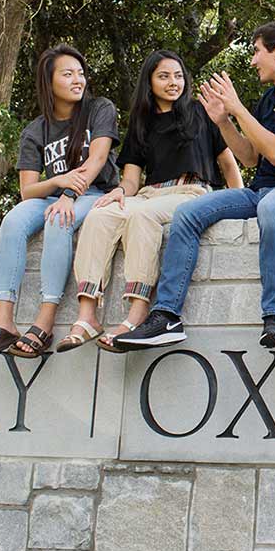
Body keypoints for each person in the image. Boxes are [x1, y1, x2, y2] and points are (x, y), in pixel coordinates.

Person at [110, 22, 275, 350]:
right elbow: (249, 157)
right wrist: (223, 122)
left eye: (257, 51)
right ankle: (167, 315)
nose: (253, 60)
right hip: (260, 190)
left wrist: (237, 108)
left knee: (271, 207)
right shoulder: (268, 100)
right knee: (188, 214)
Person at [57, 50, 242, 352]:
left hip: (191, 192)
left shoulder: (200, 112)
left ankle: (137, 313)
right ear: (150, 81)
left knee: (142, 217)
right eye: (164, 76)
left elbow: (228, 164)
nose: (173, 82)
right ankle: (88, 314)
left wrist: (240, 205)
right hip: (149, 193)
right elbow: (131, 180)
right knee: (99, 214)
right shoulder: (141, 123)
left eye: (179, 76)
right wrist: (118, 192)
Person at [0, 44, 119, 358]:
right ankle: (4, 322)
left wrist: (68, 194)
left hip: (94, 193)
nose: (77, 80)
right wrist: (57, 183)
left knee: (58, 220)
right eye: (67, 74)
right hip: (52, 195)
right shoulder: (35, 130)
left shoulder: (99, 109)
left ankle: (46, 319)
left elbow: (97, 161)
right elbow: (28, 190)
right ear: (49, 81)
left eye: (80, 73)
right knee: (13, 220)